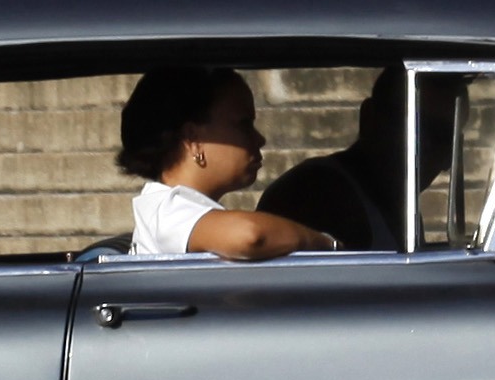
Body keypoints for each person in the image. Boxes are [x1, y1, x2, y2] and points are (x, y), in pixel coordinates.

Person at [117, 65, 334, 260]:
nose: (260, 139)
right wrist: (326, 243)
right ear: (194, 140)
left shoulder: (177, 209)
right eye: (244, 124)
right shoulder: (168, 211)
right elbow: (249, 235)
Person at [258, 65, 464, 253]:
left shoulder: (398, 202)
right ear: (369, 118)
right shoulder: (320, 192)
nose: (424, 145)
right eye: (411, 125)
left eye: (443, 136)